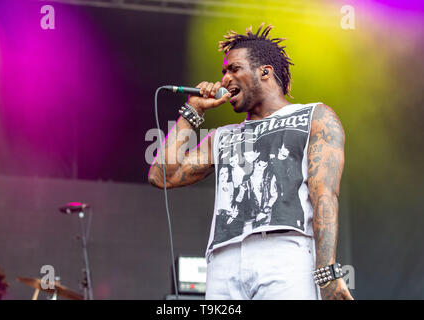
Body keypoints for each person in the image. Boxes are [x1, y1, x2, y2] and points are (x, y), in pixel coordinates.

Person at [148, 23, 353, 300]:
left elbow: (325, 195)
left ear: (264, 72)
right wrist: (192, 110)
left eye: (234, 69)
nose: (225, 79)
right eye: (223, 72)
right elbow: (162, 176)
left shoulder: (314, 117)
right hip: (223, 260)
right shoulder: (221, 137)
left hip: (285, 254)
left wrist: (326, 271)